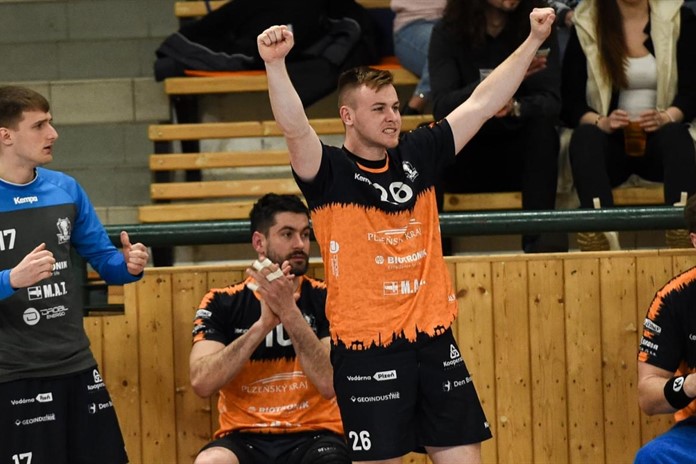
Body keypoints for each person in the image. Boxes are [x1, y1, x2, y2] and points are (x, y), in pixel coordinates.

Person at [257, 7, 555, 463]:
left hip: (434, 343)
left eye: (396, 107)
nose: (393, 117)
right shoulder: (328, 171)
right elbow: (295, 127)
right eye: (379, 109)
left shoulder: (420, 152)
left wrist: (533, 40)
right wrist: (275, 64)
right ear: (347, 116)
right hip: (367, 354)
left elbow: (481, 102)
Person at [0, 86, 150, 463]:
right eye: (39, 125)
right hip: (12, 374)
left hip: (76, 363)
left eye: (50, 123)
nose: (53, 133)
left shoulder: (65, 189)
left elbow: (103, 258)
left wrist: (128, 265)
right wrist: (11, 280)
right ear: (5, 135)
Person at [189, 193, 349, 464]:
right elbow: (201, 382)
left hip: (316, 434)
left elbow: (329, 383)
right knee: (210, 461)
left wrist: (289, 313)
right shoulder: (221, 301)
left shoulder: (327, 298)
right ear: (259, 243)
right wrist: (262, 326)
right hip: (243, 437)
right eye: (287, 234)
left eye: (305, 234)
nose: (300, 244)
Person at [429, 0, 566, 253]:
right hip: (466, 155)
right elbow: (442, 106)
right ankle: (434, 258)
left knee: (543, 133)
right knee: (428, 141)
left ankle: (541, 252)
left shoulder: (537, 27)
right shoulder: (447, 31)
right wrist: (503, 78)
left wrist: (514, 106)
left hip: (518, 153)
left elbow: (552, 102)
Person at [560, 0, 696, 251]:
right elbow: (571, 102)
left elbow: (692, 91)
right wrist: (602, 122)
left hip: (659, 139)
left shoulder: (679, 18)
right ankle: (598, 229)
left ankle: (681, 226)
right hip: (611, 142)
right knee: (585, 137)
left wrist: (666, 116)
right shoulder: (588, 22)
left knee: (677, 136)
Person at [634, 192, 696, 464]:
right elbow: (648, 395)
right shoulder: (673, 299)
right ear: (695, 240)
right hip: (693, 432)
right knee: (652, 457)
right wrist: (691, 384)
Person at [390, 0, 446, 115]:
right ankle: (416, 105)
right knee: (442, 46)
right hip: (414, 22)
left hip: (457, 23)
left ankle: (413, 107)